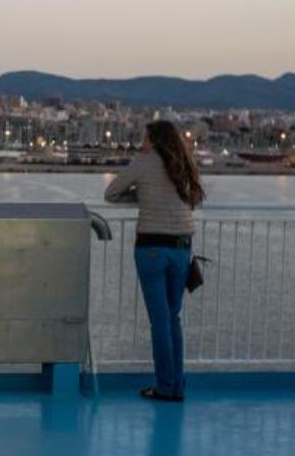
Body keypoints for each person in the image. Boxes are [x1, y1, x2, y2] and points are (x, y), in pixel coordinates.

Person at [104, 119, 205, 403]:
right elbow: (193, 197)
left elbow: (110, 193)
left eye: (145, 137)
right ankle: (177, 386)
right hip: (182, 250)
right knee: (173, 320)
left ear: (155, 140)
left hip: (151, 249)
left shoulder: (143, 162)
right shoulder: (185, 163)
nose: (141, 142)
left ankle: (164, 387)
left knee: (160, 323)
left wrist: (143, 197)